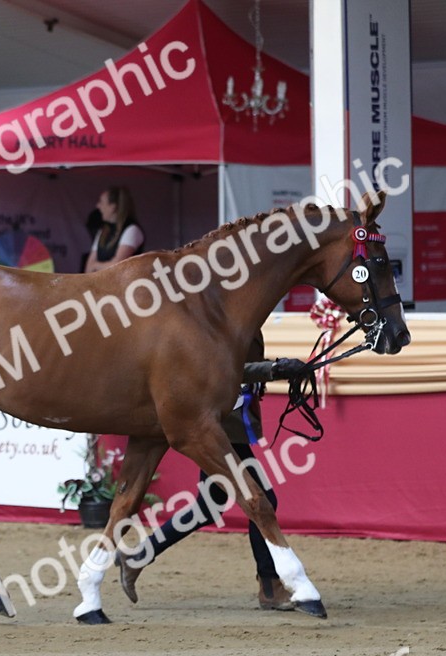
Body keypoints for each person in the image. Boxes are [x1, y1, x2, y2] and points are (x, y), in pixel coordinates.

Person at [117, 336, 309, 612]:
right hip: (220, 428)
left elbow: (243, 366)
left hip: (229, 426)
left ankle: (137, 557)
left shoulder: (249, 324)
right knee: (263, 500)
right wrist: (273, 370)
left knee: (208, 505)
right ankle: (270, 586)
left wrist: (281, 369)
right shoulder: (224, 316)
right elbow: (228, 368)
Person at [84, 186, 144, 273]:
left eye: (101, 202)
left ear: (113, 207)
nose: (98, 206)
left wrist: (96, 266)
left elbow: (117, 265)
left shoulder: (132, 230)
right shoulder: (103, 231)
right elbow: (89, 266)